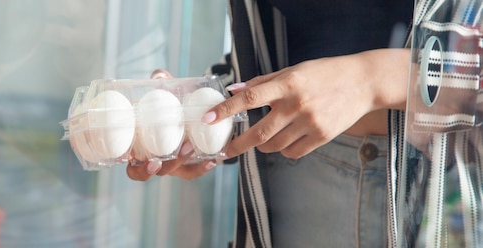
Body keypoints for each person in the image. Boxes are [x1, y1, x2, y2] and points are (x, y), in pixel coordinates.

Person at [127, 0, 415, 247]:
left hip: (415, 181)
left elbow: (461, 75)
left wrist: (369, 79)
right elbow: (268, 40)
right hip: (279, 172)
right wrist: (210, 111)